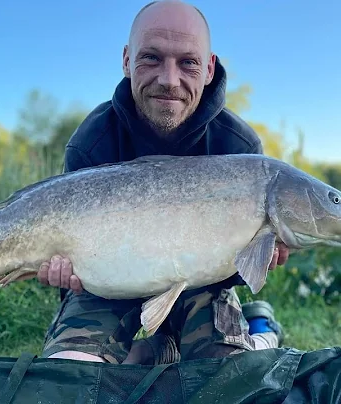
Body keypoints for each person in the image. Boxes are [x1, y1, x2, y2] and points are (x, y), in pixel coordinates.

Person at [36, 0, 290, 366]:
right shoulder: (92, 141)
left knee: (228, 374)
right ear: (127, 60)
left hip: (199, 286)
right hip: (109, 285)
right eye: (151, 58)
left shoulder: (240, 150)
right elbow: (68, 260)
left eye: (187, 62)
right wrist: (65, 272)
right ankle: (158, 350)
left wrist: (258, 258)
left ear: (208, 69)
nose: (169, 79)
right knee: (71, 372)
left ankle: (261, 332)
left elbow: (232, 272)